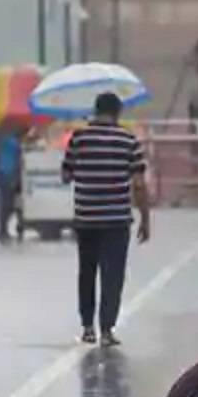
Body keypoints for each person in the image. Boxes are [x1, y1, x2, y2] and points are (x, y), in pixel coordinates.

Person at [61, 93, 150, 346]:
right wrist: (145, 218)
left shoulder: (79, 138)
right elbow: (139, 184)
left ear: (95, 110)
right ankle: (107, 330)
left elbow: (66, 175)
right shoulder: (128, 140)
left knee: (86, 272)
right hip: (117, 219)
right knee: (113, 275)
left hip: (86, 217)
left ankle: (88, 328)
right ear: (117, 112)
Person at [0, 129, 22, 243]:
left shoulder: (1, 139)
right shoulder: (11, 141)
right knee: (7, 204)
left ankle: (2, 230)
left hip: (3, 173)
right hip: (8, 174)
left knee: (6, 204)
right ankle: (2, 231)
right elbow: (17, 160)